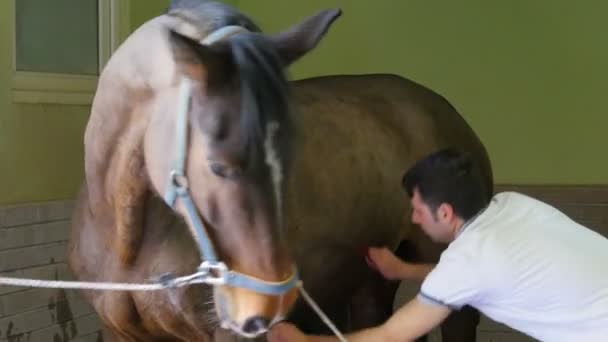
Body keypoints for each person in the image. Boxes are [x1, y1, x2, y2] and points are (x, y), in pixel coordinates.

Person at [268, 149, 608, 342]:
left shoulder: (469, 260)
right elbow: (479, 276)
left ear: (445, 213)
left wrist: (306, 341)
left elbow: (390, 337)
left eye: (418, 210)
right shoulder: (512, 205)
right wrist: (403, 270)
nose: (414, 219)